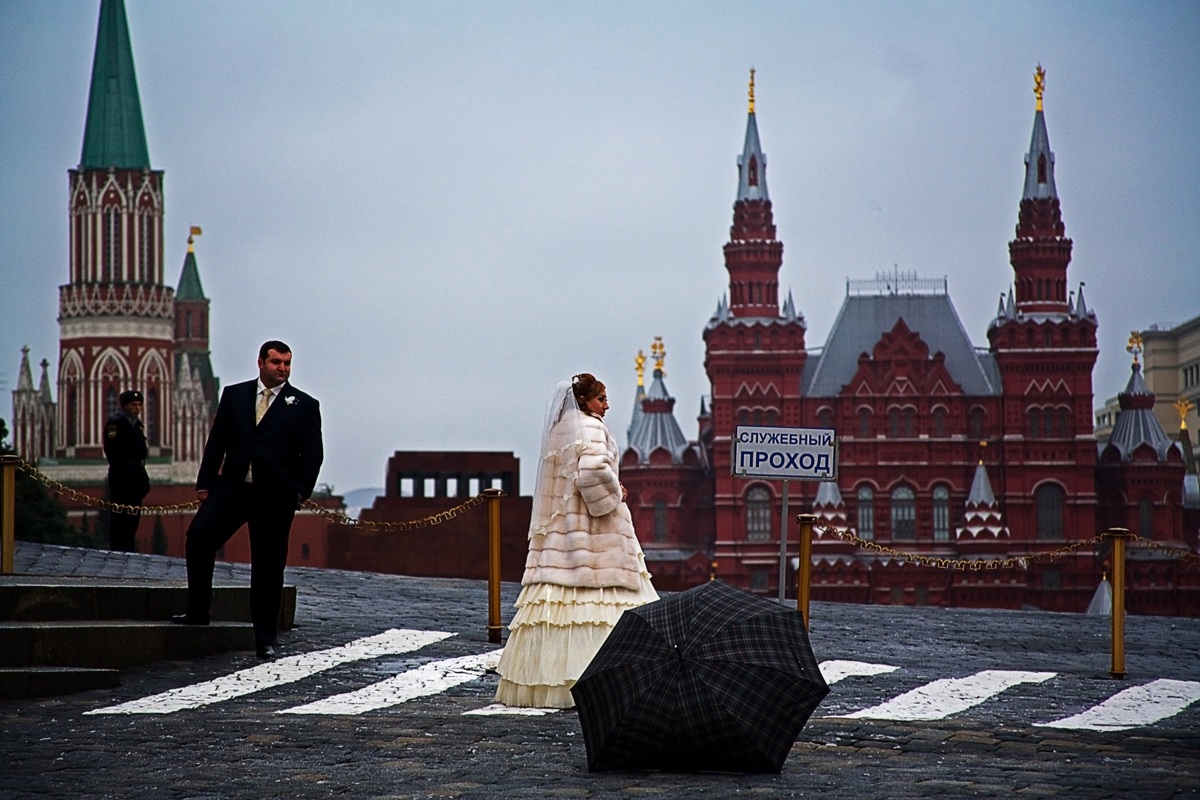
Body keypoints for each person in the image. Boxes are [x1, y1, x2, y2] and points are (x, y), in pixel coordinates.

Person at [495, 373, 658, 708]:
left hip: (561, 530)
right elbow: (592, 473)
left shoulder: (559, 429)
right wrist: (615, 493)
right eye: (601, 399)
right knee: (603, 604)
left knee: (558, 604)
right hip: (595, 532)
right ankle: (607, 683)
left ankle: (549, 682)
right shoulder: (591, 427)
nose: (607, 405)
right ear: (584, 401)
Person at [171, 340, 323, 660]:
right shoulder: (235, 395)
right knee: (199, 537)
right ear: (261, 363)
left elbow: (313, 456)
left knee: (268, 566)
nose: (283, 368)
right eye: (276, 362)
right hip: (233, 490)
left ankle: (265, 638)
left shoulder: (304, 405)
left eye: (287, 363)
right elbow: (217, 442)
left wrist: (299, 491)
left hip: (275, 497)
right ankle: (198, 611)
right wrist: (204, 484)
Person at [103, 389, 151, 552]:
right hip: (122, 480)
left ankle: (128, 551)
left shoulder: (137, 425)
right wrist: (127, 475)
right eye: (133, 405)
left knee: (132, 521)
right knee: (120, 521)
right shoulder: (116, 423)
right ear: (124, 406)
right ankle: (119, 552)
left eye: (139, 405)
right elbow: (114, 453)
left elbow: (141, 453)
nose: (137, 408)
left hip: (136, 480)